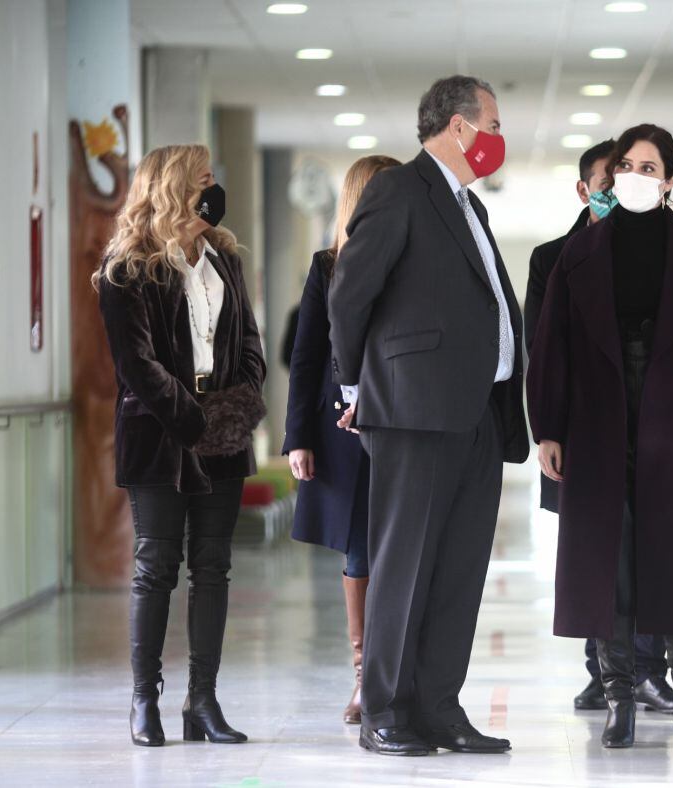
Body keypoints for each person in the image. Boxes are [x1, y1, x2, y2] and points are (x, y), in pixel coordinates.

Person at [527, 124, 673, 748]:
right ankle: (618, 698)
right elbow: (553, 350)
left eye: (649, 167)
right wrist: (547, 427)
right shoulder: (580, 254)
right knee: (612, 569)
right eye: (627, 164)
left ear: (671, 180)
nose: (635, 175)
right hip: (600, 428)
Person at [327, 75, 529, 756]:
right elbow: (350, 294)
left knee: (458, 571)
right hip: (413, 412)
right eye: (493, 123)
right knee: (404, 566)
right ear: (458, 125)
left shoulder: (470, 205)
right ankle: (386, 709)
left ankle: (439, 707)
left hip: (476, 411)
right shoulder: (399, 190)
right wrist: (353, 386)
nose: (499, 137)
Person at [93, 144, 267, 747]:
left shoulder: (224, 259)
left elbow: (248, 342)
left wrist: (237, 408)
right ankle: (145, 702)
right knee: (155, 567)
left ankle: (204, 701)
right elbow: (136, 365)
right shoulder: (127, 268)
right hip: (160, 435)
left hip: (222, 431)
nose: (212, 191)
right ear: (170, 188)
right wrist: (194, 421)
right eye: (202, 180)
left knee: (213, 567)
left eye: (214, 179)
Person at [523, 139, 673, 716]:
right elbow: (541, 346)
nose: (619, 192)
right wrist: (549, 431)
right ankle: (605, 671)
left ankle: (648, 670)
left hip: (653, 426)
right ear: (585, 190)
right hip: (585, 427)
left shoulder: (667, 247)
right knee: (597, 554)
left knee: (653, 547)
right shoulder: (553, 257)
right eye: (607, 184)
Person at [282, 154, 401, 725]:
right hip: (342, 434)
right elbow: (305, 358)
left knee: (404, 552)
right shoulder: (327, 266)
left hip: (404, 427)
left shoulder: (415, 262)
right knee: (359, 553)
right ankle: (363, 679)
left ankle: (397, 676)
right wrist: (296, 437)